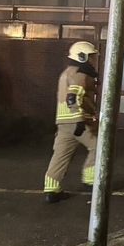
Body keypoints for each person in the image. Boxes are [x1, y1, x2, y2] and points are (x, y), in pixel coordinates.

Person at [43, 41, 99, 203]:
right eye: (91, 57)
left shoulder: (66, 73)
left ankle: (51, 190)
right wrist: (80, 119)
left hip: (63, 123)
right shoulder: (80, 74)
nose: (93, 60)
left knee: (60, 155)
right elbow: (72, 97)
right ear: (82, 57)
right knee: (99, 146)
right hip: (79, 121)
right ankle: (90, 180)